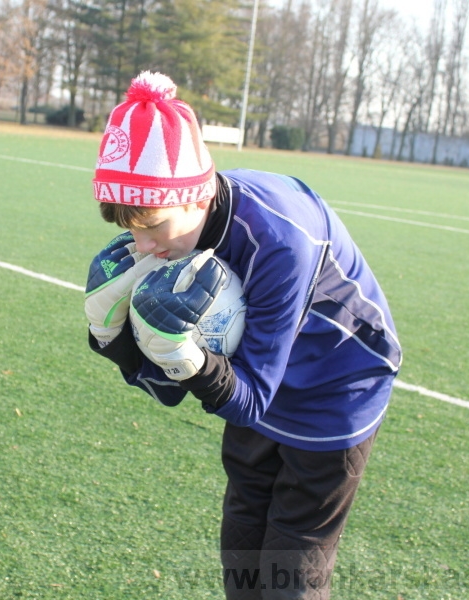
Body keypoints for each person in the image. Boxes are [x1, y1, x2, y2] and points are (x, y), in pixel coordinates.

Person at [84, 72, 402, 600]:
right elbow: (167, 388)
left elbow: (248, 398)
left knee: (289, 570)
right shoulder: (176, 229)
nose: (143, 245)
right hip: (257, 369)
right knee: (243, 546)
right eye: (129, 226)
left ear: (199, 195)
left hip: (336, 384)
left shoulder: (278, 241)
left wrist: (184, 356)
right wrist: (110, 336)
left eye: (155, 226)